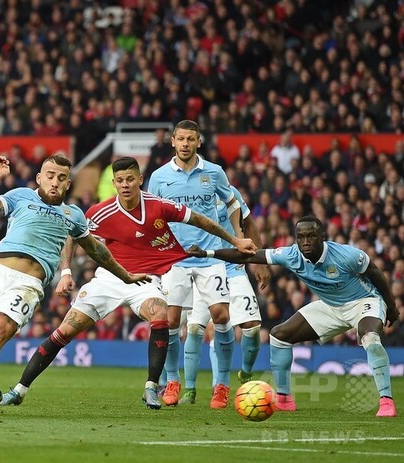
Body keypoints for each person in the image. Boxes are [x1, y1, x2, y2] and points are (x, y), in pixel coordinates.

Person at [0, 157, 256, 409]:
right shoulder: (101, 211)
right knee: (65, 331)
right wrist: (66, 271)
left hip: (144, 280)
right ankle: (20, 389)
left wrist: (235, 240)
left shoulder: (159, 206)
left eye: (130, 179)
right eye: (120, 180)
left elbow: (200, 219)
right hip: (110, 278)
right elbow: (73, 233)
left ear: (140, 180)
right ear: (114, 183)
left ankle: (151, 388)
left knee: (161, 315)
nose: (125, 185)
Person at [0, 154, 150, 419]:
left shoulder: (73, 215)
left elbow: (97, 251)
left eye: (61, 178)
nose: (55, 182)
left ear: (68, 184)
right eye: (50, 176)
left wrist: (125, 276)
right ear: (39, 178)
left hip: (28, 284)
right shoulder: (20, 195)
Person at [189, 216, 400, 417]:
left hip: (364, 301)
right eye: (301, 237)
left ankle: (386, 401)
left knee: (370, 337)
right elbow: (249, 255)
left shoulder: (347, 255)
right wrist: (208, 253)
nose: (305, 241)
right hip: (331, 306)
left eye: (311, 236)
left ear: (322, 237)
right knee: (279, 335)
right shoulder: (291, 255)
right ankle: (283, 399)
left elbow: (375, 272)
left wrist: (391, 306)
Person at [147, 119, 246, 409]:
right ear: (173, 141)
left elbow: (232, 203)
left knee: (221, 316)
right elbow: (152, 216)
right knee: (171, 320)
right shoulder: (159, 177)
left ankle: (222, 385)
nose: (186, 144)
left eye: (191, 139)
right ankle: (172, 380)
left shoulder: (214, 172)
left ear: (199, 142)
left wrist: (238, 236)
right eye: (181, 139)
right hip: (175, 258)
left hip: (209, 255)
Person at [179, 185, 270, 405]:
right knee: (195, 327)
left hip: (233, 268)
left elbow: (249, 224)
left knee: (252, 326)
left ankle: (245, 372)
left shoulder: (230, 193)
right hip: (205, 267)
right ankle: (190, 389)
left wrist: (259, 262)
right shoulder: (188, 193)